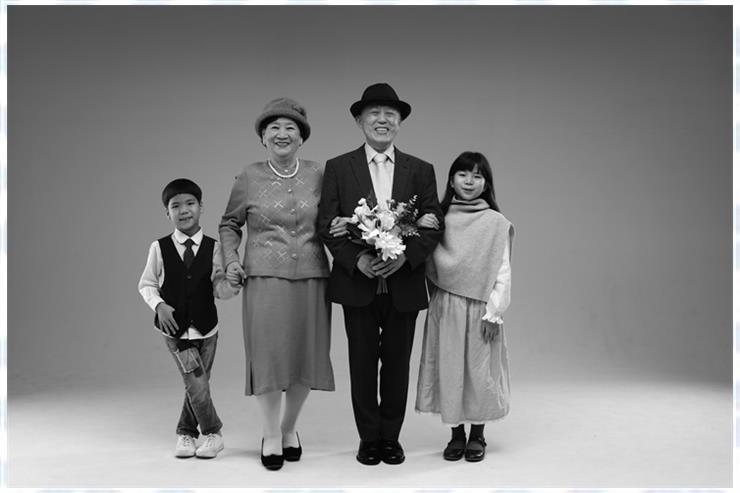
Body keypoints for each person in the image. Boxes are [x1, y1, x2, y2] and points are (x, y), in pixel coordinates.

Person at [318, 82, 443, 466]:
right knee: (361, 363)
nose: (382, 120)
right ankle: (368, 438)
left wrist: (405, 258)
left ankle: (391, 437)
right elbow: (326, 224)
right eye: (374, 113)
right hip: (357, 283)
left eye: (391, 114)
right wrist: (356, 260)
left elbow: (433, 223)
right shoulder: (339, 167)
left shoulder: (420, 169)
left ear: (400, 122)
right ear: (360, 120)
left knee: (397, 365)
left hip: (403, 283)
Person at [219, 97, 334, 471]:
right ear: (262, 137)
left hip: (313, 277)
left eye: (290, 128)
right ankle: (269, 433)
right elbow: (229, 224)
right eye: (274, 128)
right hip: (265, 278)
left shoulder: (318, 174)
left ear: (301, 137)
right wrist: (231, 261)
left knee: (305, 357)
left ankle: (288, 428)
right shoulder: (249, 176)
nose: (282, 134)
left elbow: (334, 221)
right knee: (268, 357)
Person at [415, 151, 514, 462]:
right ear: (451, 180)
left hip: (481, 307)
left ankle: (477, 435)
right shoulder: (439, 220)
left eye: (477, 176)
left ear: (486, 184)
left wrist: (494, 313)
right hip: (446, 305)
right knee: (449, 369)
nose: (470, 181)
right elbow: (422, 254)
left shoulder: (496, 223)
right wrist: (418, 224)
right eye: (463, 174)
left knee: (480, 372)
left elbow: (502, 270)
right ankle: (456, 435)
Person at [138, 178, 239, 459]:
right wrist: (159, 305)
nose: (183, 210)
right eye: (175, 206)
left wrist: (232, 285)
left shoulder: (214, 247)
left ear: (201, 207)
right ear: (167, 213)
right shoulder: (159, 248)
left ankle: (186, 433)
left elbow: (219, 286)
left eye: (190, 204)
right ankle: (214, 433)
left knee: (197, 385)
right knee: (197, 383)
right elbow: (146, 284)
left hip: (207, 330)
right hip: (176, 332)